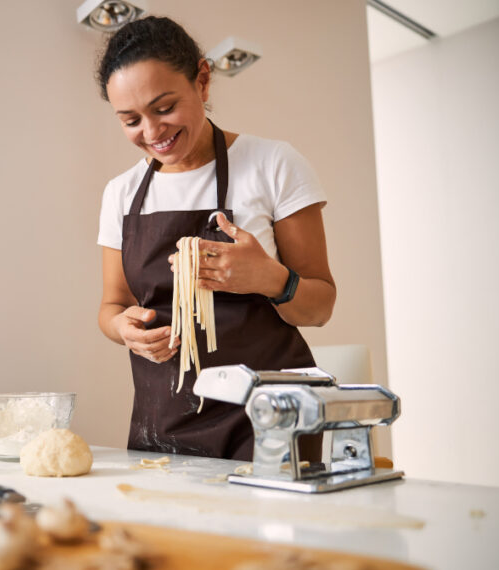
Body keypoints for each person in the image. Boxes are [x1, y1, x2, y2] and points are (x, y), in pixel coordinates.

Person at [95, 16, 336, 460]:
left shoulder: (273, 164)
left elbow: (320, 306)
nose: (151, 134)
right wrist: (122, 329)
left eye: (164, 108)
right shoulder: (122, 193)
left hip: (268, 420)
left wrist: (269, 278)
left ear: (202, 81)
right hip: (163, 423)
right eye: (131, 120)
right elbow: (112, 306)